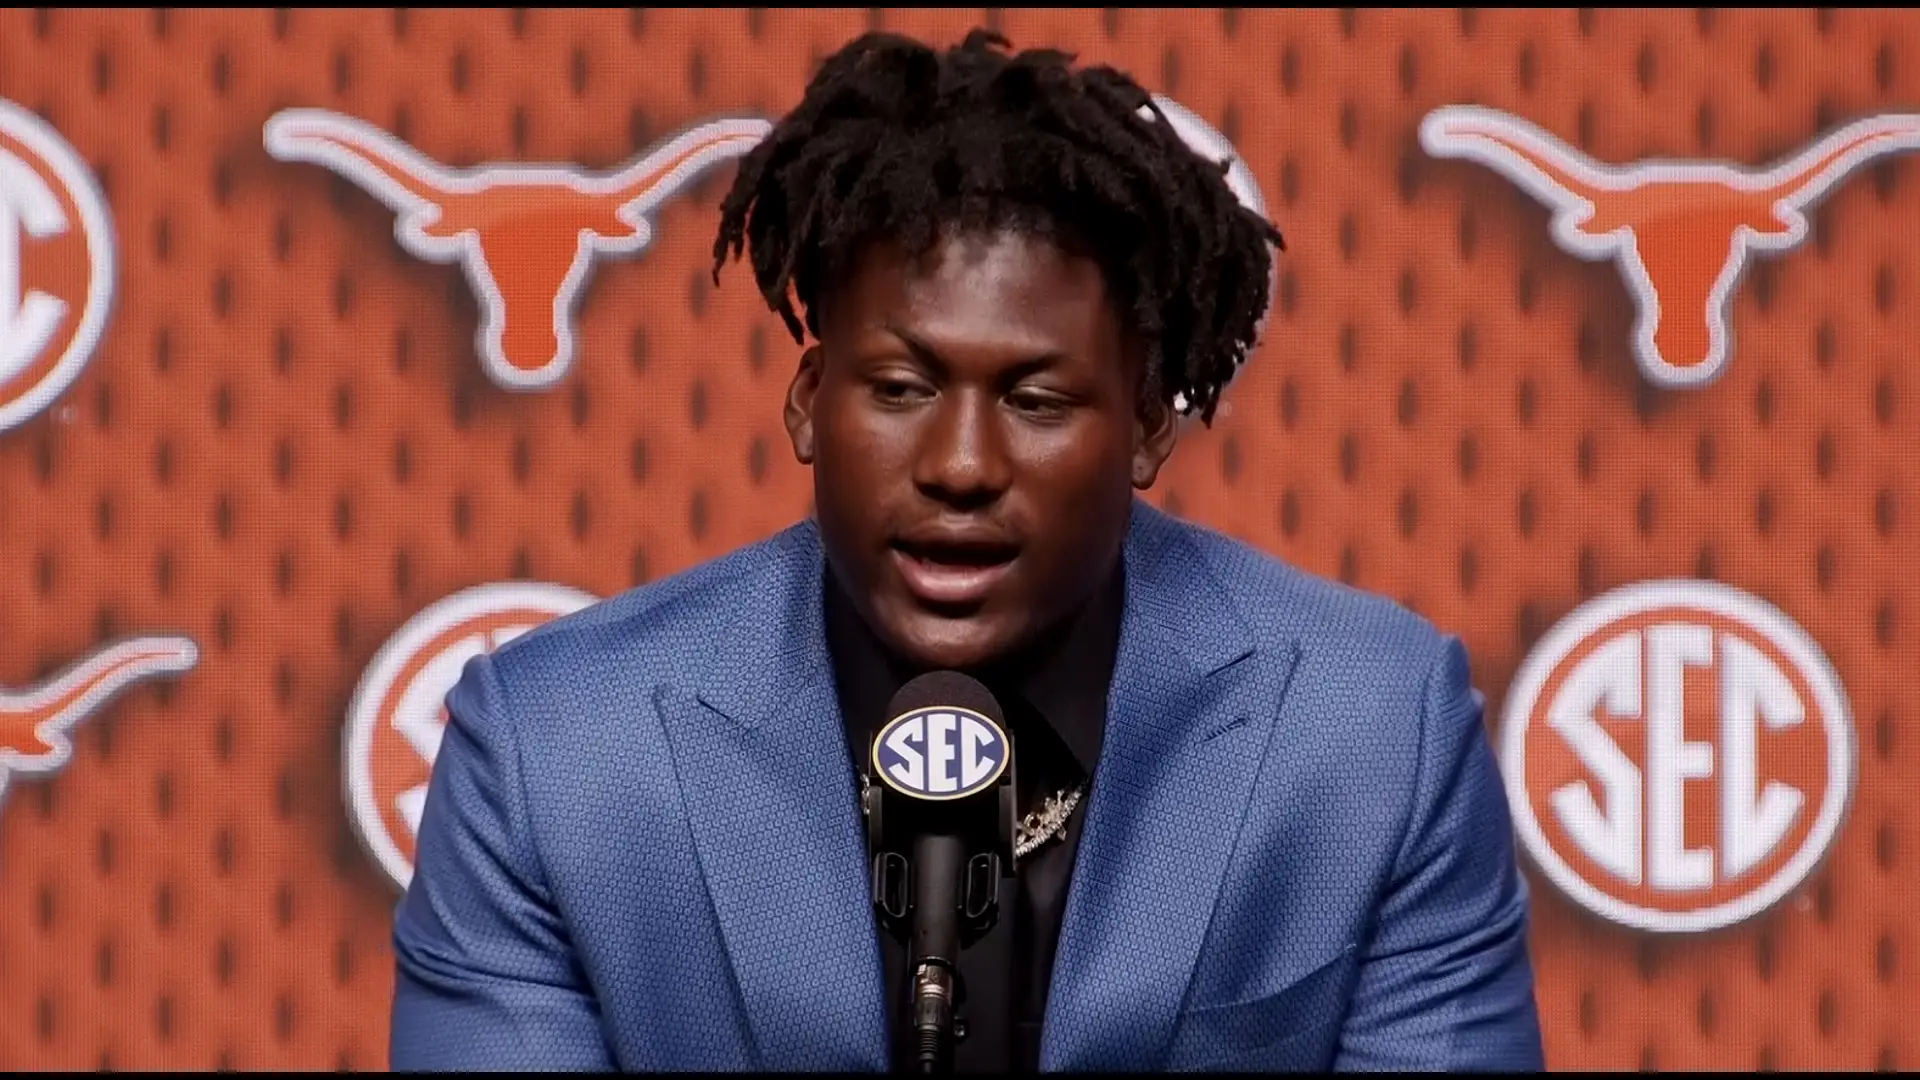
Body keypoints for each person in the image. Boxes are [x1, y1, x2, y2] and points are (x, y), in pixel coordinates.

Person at [389, 28, 1544, 1073]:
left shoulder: (1371, 733)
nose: (959, 464)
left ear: (1149, 425)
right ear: (808, 402)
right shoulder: (558, 753)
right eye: (900, 388)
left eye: (1036, 401)